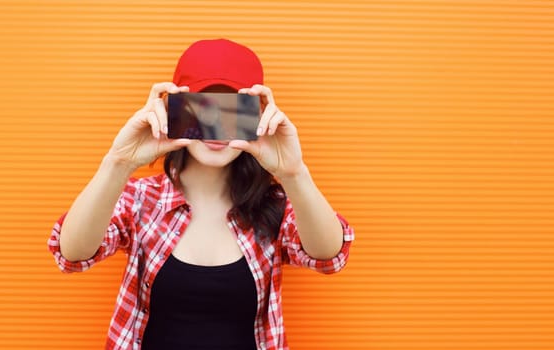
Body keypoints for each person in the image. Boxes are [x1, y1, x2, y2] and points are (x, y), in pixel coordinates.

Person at [47, 38, 355, 350]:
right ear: (173, 111)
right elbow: (72, 253)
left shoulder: (275, 205)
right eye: (202, 108)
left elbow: (329, 256)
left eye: (234, 111)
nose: (217, 127)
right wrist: (119, 162)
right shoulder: (141, 199)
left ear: (259, 117)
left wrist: (294, 172)